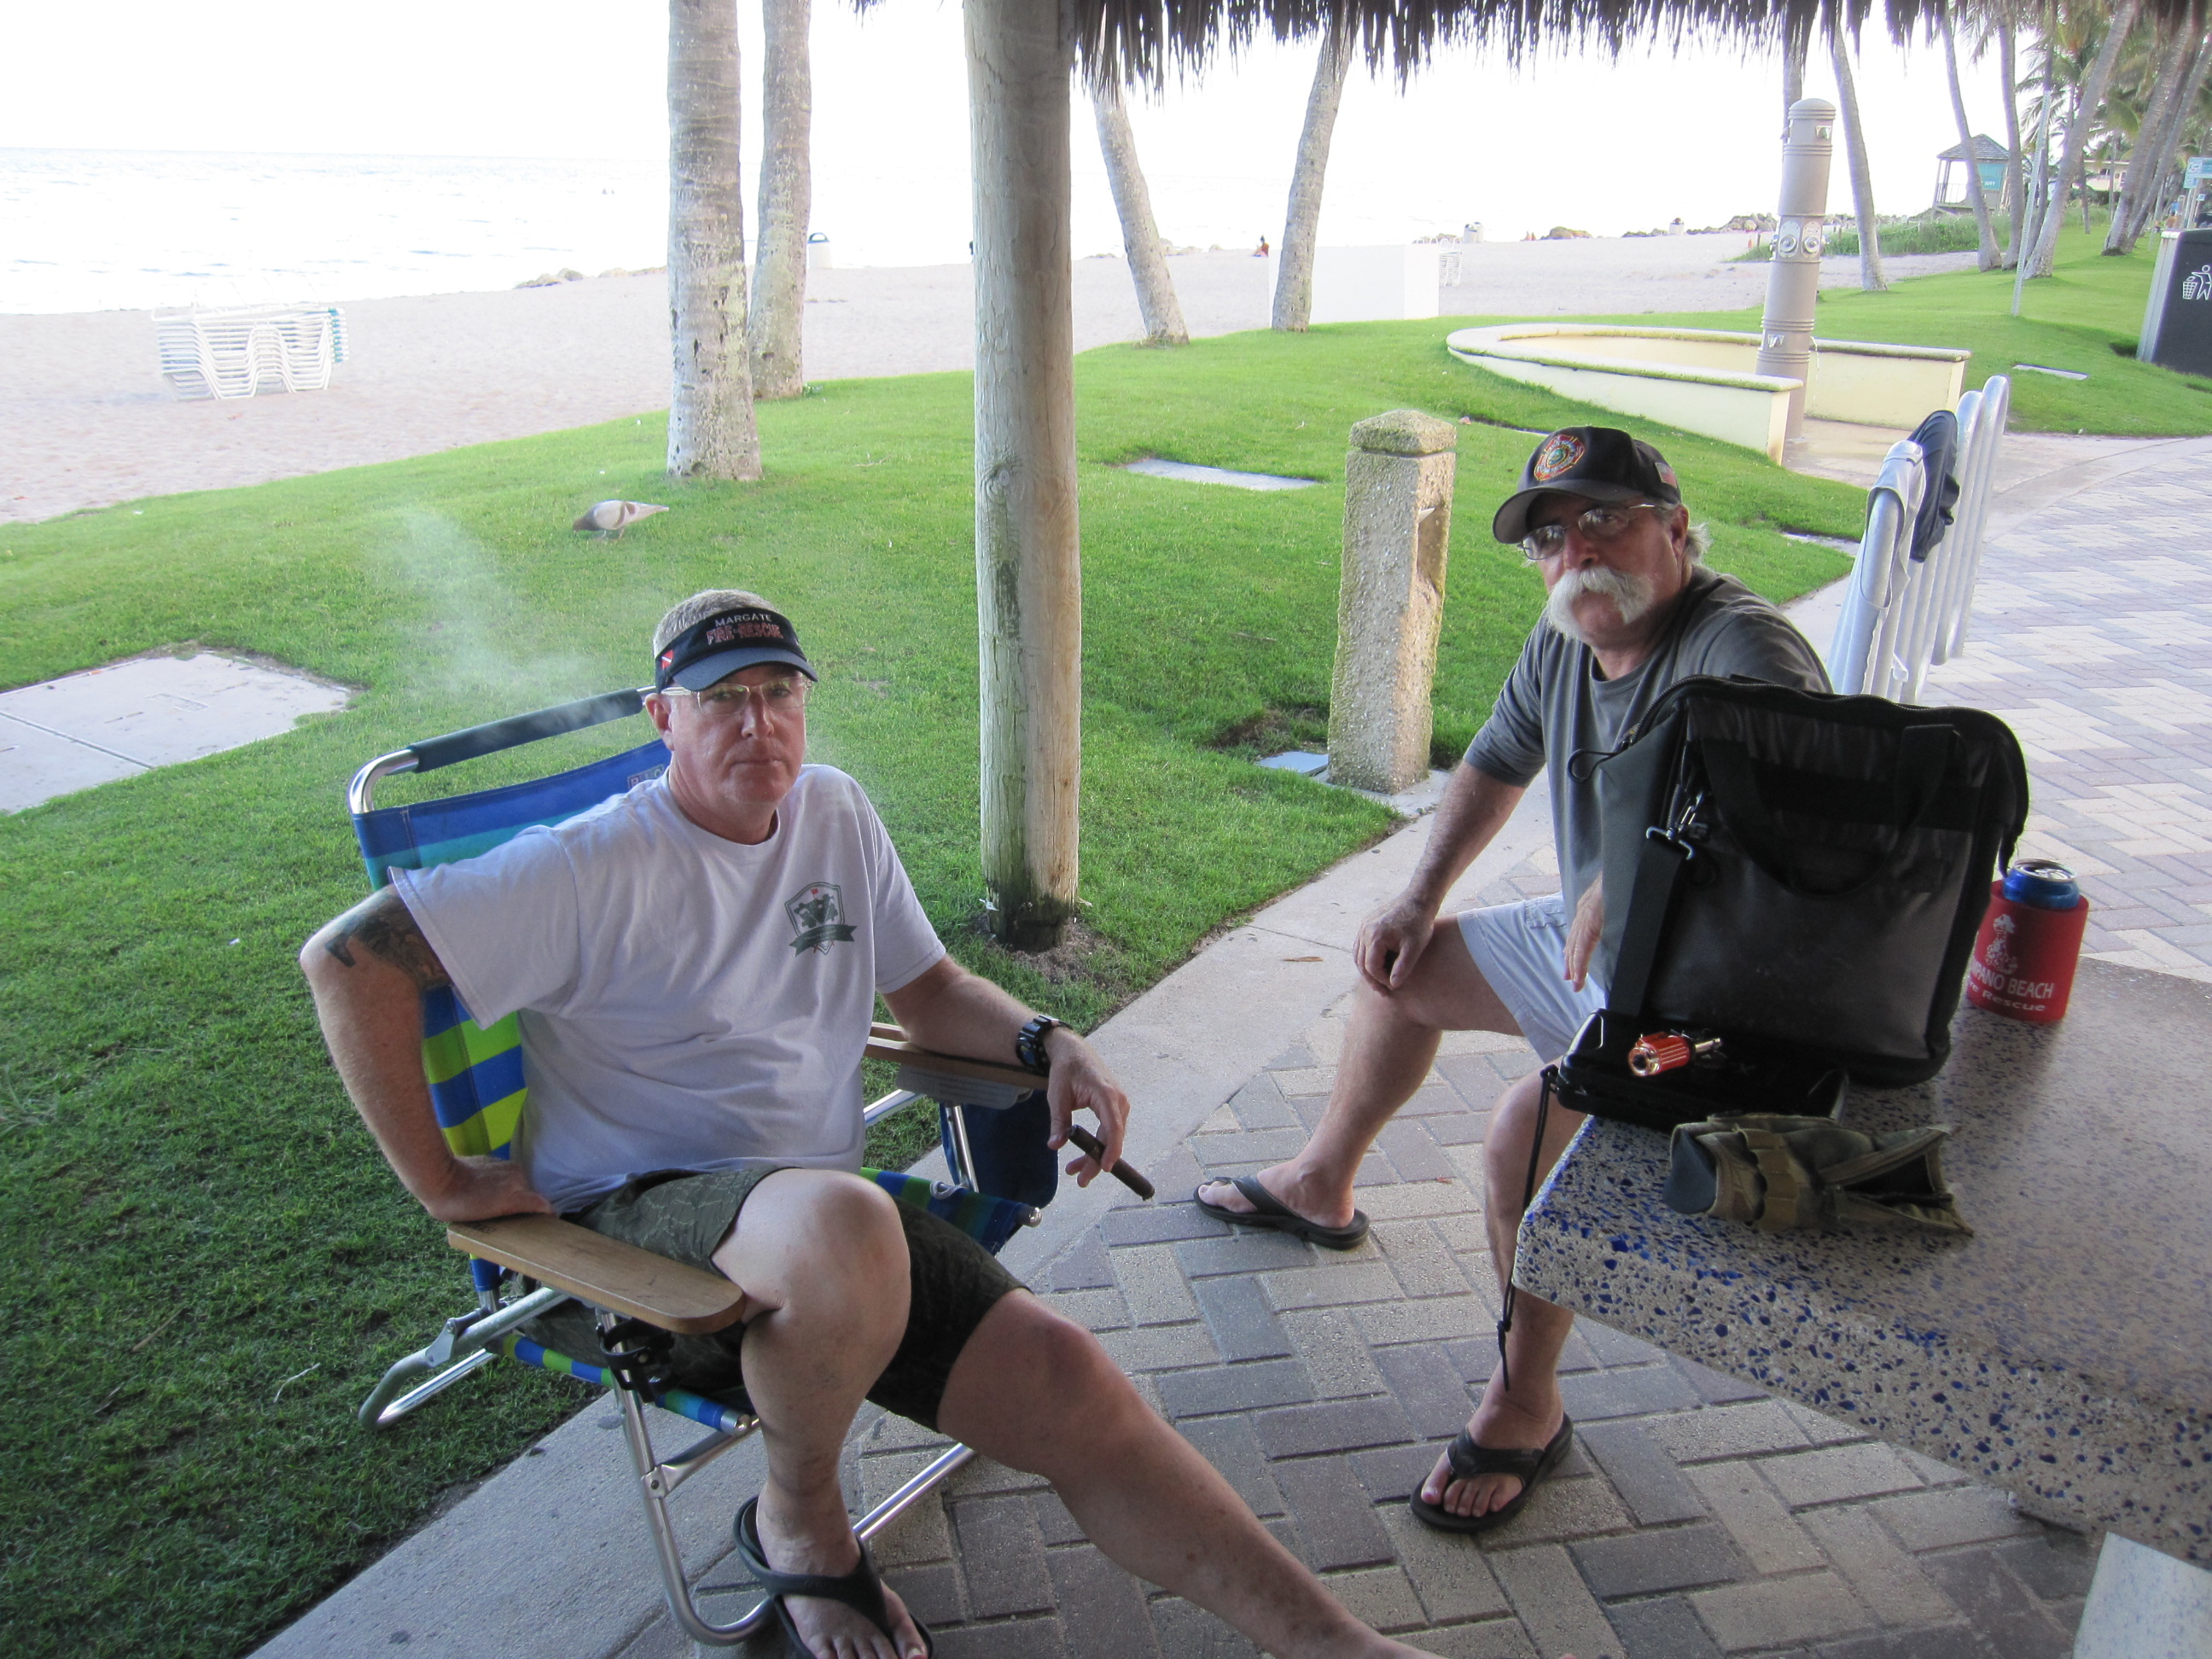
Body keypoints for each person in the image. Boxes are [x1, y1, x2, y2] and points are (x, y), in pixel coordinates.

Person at [302, 591, 1446, 1659]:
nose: (759, 723)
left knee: (1074, 1381)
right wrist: (445, 1183)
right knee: (848, 1222)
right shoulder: (592, 864)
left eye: (779, 691)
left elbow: (931, 991)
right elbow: (348, 962)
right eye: (721, 699)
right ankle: (802, 1520)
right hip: (637, 1245)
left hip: (829, 1260)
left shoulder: (832, 811)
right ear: (662, 718)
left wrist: (1049, 1042)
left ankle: (1344, 1647)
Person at [1196, 429, 1830, 1534]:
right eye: (1550, 535)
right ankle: (1319, 1185)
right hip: (1599, 961)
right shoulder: (1568, 634)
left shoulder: (1744, 649)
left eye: (1605, 519)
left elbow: (1798, 820)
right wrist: (1416, 896)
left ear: (1677, 530)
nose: (1576, 550)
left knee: (1516, 1138)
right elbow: (1497, 756)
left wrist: (1641, 876)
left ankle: (1526, 1402)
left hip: (1708, 1020)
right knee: (1400, 969)